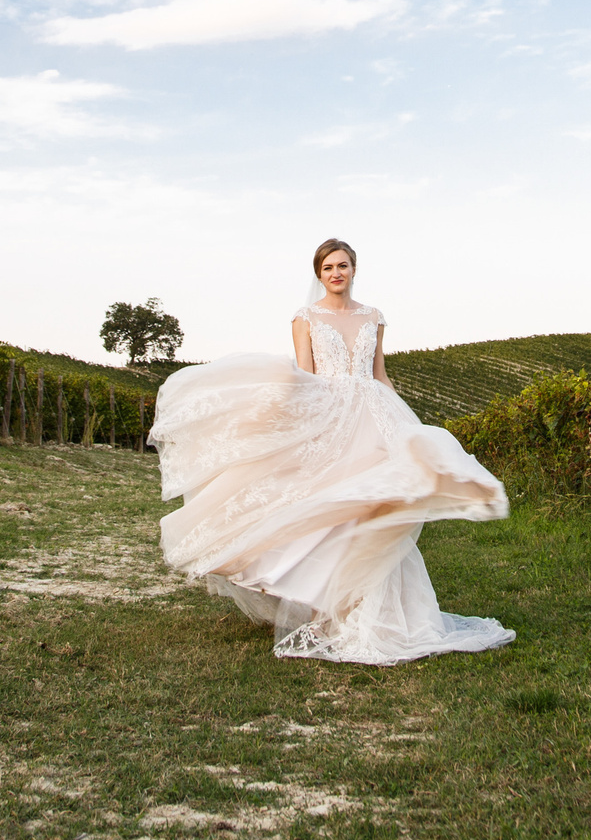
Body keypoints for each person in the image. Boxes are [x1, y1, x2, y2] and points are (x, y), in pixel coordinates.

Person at [148, 238, 516, 664]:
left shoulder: (374, 317)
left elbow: (380, 375)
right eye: (327, 268)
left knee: (377, 508)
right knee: (330, 506)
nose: (336, 273)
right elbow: (305, 373)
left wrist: (407, 423)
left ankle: (378, 614)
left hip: (374, 415)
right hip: (330, 414)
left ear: (354, 269)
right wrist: (288, 421)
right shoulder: (305, 317)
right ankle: (330, 608)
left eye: (342, 266)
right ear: (319, 274)